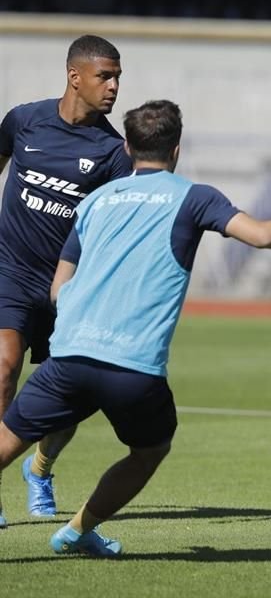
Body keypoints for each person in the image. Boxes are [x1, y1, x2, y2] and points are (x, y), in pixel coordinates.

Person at [0, 99, 271, 555]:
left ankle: (52, 492)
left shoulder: (96, 200)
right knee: (149, 450)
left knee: (8, 438)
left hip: (69, 355)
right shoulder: (195, 197)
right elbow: (263, 236)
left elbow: (59, 288)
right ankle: (77, 530)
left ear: (128, 146)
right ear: (177, 149)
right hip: (132, 368)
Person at [0, 35, 134, 527]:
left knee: (71, 394)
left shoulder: (113, 151)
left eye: (119, 77)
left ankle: (40, 469)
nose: (115, 86)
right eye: (106, 76)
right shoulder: (23, 120)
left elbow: (121, 225)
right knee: (4, 366)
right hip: (10, 270)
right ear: (74, 76)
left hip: (72, 286)